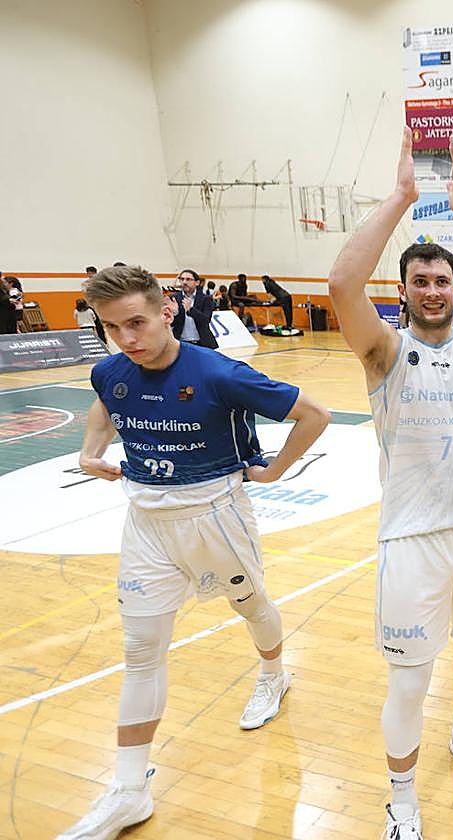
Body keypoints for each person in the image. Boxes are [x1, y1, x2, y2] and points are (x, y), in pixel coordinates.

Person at [58, 265, 330, 840]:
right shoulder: (110, 371)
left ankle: (274, 675)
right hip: (146, 524)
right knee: (140, 649)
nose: (127, 337)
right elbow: (106, 403)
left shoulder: (217, 371)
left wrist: (275, 471)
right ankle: (129, 790)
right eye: (113, 327)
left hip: (215, 515)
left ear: (167, 311)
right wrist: (89, 451)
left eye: (136, 322)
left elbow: (315, 414)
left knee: (251, 608)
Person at [327, 130, 453, 840]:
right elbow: (339, 285)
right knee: (409, 679)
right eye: (419, 281)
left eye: (442, 280)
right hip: (412, 539)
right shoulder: (385, 350)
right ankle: (401, 802)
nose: (432, 290)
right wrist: (402, 199)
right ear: (406, 291)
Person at [168, 269, 218, 349]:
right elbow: (170, 324)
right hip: (180, 343)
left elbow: (205, 320)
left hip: (201, 343)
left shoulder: (206, 299)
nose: (184, 282)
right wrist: (175, 313)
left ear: (197, 283)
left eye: (188, 279)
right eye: (182, 279)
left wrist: (191, 310)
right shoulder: (174, 298)